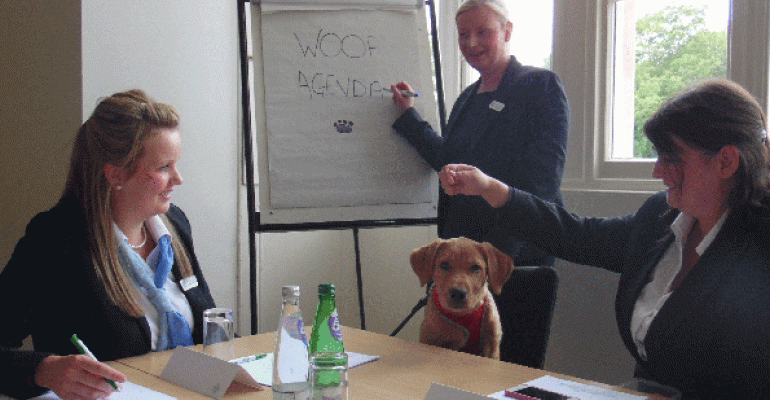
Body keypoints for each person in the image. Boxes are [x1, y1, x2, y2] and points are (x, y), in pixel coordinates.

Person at [438, 78, 770, 398]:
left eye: (672, 158)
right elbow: (577, 236)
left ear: (726, 162)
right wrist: (491, 190)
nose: (657, 171)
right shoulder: (659, 219)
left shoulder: (759, 244)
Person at [0, 90, 217, 400]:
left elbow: (208, 328)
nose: (178, 179)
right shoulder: (56, 239)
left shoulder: (176, 226)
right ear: (116, 174)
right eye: (164, 167)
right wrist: (45, 369)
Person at [390, 0, 569, 266]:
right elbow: (447, 158)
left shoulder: (540, 86)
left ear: (507, 31)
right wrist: (409, 115)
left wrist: (495, 257)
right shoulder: (466, 98)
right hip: (462, 252)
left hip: (514, 257)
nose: (471, 43)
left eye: (483, 32)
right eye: (463, 34)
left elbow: (542, 183)